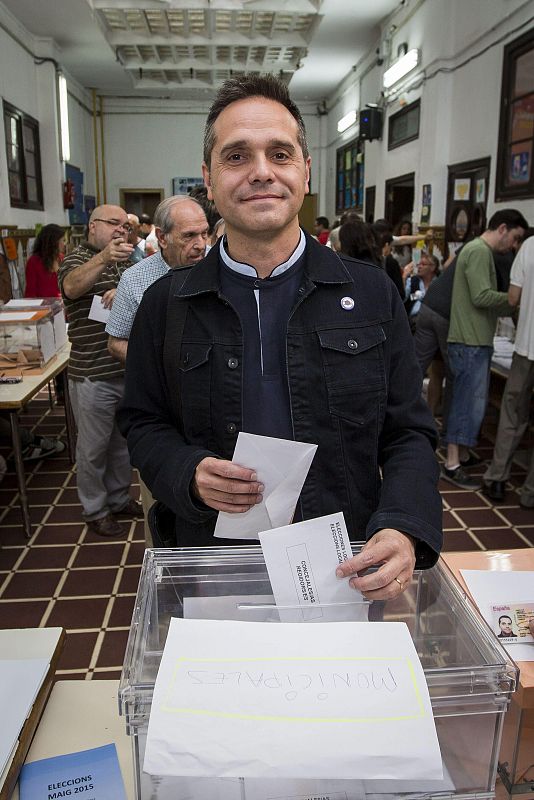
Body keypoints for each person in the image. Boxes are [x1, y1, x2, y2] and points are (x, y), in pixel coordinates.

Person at [118, 74, 442, 600]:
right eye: (237, 156)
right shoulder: (166, 305)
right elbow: (143, 421)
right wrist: (188, 472)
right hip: (215, 560)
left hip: (344, 564)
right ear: (209, 177)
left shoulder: (371, 295)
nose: (261, 172)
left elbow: (408, 431)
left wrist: (404, 524)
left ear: (306, 171)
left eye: (280, 153)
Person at [58, 205, 142, 537]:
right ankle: (94, 509)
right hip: (91, 372)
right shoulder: (77, 259)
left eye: (126, 225)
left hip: (124, 367)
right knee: (92, 448)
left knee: (121, 443)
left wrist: (125, 290)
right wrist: (104, 258)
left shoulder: (127, 263)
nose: (121, 230)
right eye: (113, 224)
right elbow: (72, 288)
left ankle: (120, 498)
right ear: (93, 227)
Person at [441, 209, 528, 490]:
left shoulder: (475, 249)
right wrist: (515, 300)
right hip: (470, 340)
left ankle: (462, 453)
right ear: (503, 228)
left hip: (471, 338)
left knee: (471, 403)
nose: (514, 246)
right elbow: (481, 295)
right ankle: (452, 462)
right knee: (467, 404)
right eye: (515, 238)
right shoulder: (480, 251)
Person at [107, 196, 208, 364]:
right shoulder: (134, 279)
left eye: (204, 234)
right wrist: (159, 367)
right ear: (162, 238)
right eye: (189, 235)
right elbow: (116, 343)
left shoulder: (219, 264)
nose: (201, 245)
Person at [483, 235, 534, 507]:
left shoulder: (529, 246)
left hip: (527, 345)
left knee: (513, 412)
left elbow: (512, 298)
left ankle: (498, 476)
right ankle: (531, 491)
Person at [24, 224, 65, 298]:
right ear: (53, 242)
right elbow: (30, 293)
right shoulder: (34, 262)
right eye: (62, 240)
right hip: (42, 307)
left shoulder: (62, 259)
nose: (64, 244)